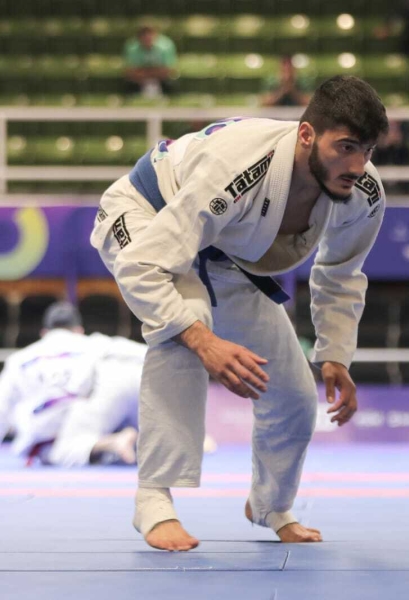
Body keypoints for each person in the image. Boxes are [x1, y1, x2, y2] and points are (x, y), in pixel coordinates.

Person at [89, 75, 389, 552]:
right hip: (146, 215)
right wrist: (203, 341)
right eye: (346, 147)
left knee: (294, 394)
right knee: (182, 323)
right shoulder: (239, 166)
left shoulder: (363, 193)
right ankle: (153, 500)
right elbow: (141, 265)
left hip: (224, 256)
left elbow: (341, 274)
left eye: (367, 150)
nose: (357, 165)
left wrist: (335, 353)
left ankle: (271, 504)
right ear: (307, 134)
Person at [0, 302, 145, 467]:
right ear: (79, 330)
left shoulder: (20, 359)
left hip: (79, 401)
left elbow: (2, 406)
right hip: (127, 377)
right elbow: (146, 353)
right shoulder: (97, 342)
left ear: (44, 333)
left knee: (59, 452)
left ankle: (112, 442)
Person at [123, 24, 178, 97]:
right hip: (139, 80)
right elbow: (130, 72)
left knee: (170, 82)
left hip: (161, 80)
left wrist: (145, 73)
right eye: (144, 37)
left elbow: (169, 70)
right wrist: (153, 73)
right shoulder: (131, 47)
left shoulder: (166, 45)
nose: (147, 39)